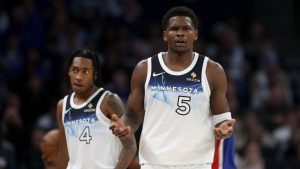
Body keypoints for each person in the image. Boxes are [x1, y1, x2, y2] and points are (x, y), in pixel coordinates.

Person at [110, 6, 236, 169]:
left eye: (187, 29)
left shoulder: (212, 71)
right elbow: (133, 116)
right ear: (164, 35)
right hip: (153, 161)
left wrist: (223, 129)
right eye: (174, 29)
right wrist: (125, 127)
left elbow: (222, 119)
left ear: (195, 34)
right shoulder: (145, 69)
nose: (180, 33)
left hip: (197, 162)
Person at [56, 49, 137, 169]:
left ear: (95, 74)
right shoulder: (62, 105)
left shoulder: (109, 100)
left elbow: (130, 146)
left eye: (85, 72)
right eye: (75, 70)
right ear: (69, 72)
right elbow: (63, 152)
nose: (78, 77)